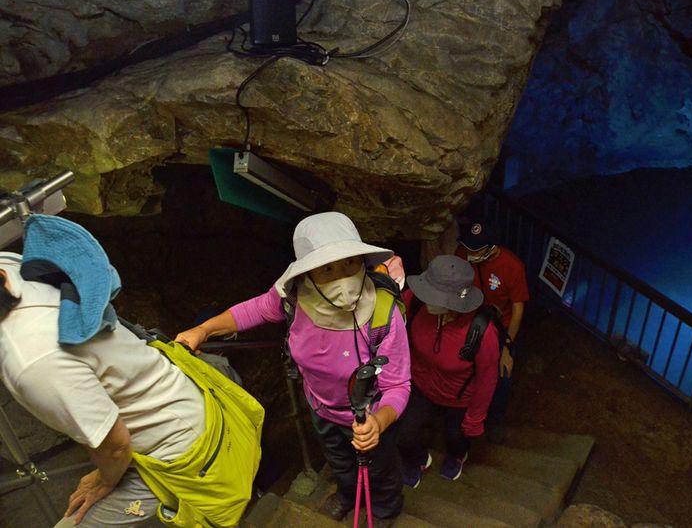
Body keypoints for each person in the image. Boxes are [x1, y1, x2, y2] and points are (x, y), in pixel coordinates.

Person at [0, 217, 261, 527]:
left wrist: (103, 480)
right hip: (185, 395)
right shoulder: (12, 266)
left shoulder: (31, 360)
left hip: (177, 447)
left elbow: (116, 446)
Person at [176, 212, 410, 526]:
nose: (343, 276)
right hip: (320, 406)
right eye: (327, 268)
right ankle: (347, 495)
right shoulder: (295, 297)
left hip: (370, 414)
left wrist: (379, 422)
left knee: (380, 468)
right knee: (339, 459)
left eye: (350, 263)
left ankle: (384, 510)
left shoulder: (383, 313)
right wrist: (204, 330)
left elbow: (397, 385)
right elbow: (255, 309)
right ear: (308, 272)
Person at [396, 255, 500, 487]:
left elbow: (487, 378)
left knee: (456, 438)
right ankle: (418, 460)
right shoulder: (416, 301)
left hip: (458, 398)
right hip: (420, 386)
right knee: (405, 435)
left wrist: (475, 418)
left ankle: (456, 456)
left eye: (434, 296)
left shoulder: (482, 332)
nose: (426, 299)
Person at [455, 217, 529, 443]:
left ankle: (494, 420)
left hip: (497, 328)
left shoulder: (512, 266)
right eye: (468, 247)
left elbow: (518, 308)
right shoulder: (462, 254)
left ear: (492, 248)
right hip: (468, 319)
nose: (469, 253)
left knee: (501, 375)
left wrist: (507, 344)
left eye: (475, 250)